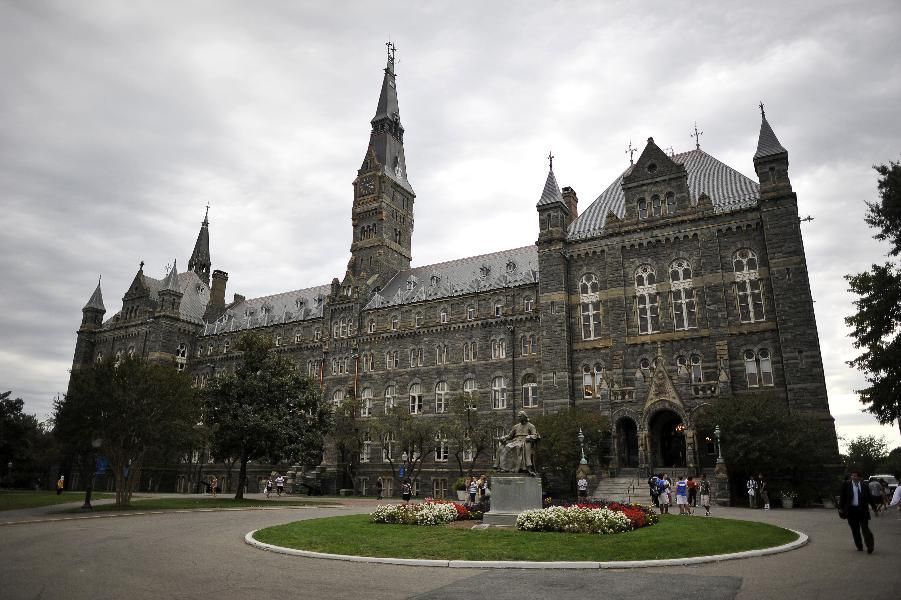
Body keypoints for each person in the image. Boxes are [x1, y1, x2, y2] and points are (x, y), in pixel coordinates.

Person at [839, 470, 875, 554]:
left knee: (865, 529)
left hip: (863, 511)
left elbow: (869, 497)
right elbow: (842, 497)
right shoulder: (846, 485)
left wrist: (874, 508)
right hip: (851, 511)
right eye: (852, 476)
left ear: (859, 477)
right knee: (855, 530)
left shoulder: (864, 485)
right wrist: (841, 508)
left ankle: (870, 546)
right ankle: (859, 546)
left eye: (855, 476)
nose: (853, 477)